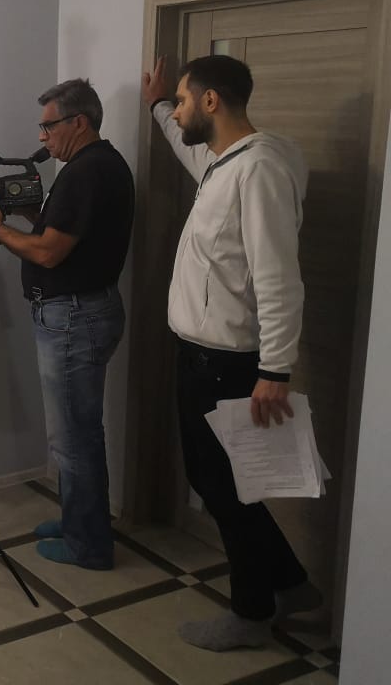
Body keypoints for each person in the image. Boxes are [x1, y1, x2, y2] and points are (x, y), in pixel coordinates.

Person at [142, 55, 322, 650]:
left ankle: (251, 612)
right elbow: (185, 146)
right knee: (218, 482)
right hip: (200, 357)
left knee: (226, 489)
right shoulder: (224, 162)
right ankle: (292, 585)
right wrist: (158, 105)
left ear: (212, 101)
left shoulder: (260, 169)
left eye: (184, 101)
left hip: (227, 364)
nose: (180, 112)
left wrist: (276, 369)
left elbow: (278, 277)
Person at [0, 79, 134, 571]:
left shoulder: (87, 172)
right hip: (81, 312)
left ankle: (87, 545)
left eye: (49, 126)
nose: (42, 137)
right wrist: (33, 212)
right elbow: (65, 234)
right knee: (77, 432)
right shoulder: (96, 165)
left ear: (78, 122)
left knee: (73, 438)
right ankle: (78, 523)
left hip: (74, 317)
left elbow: (49, 252)